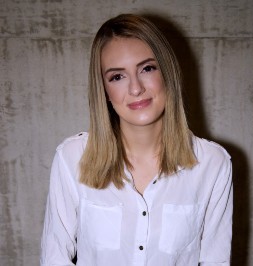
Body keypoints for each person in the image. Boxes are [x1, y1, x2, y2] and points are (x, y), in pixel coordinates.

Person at [40, 14, 233, 266]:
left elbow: (215, 261)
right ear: (104, 90)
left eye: (147, 68)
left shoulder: (212, 163)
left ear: (167, 73)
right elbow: (54, 258)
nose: (135, 88)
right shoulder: (72, 157)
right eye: (117, 77)